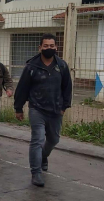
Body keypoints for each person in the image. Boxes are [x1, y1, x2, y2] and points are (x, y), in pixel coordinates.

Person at [14, 33, 72, 187]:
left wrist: (64, 107)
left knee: (54, 139)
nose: (49, 48)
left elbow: (67, 88)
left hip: (55, 110)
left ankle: (43, 156)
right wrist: (18, 108)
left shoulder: (62, 66)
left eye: (52, 46)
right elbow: (22, 88)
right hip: (37, 108)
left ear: (56, 47)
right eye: (45, 46)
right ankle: (36, 172)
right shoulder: (31, 67)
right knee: (37, 139)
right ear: (40, 48)